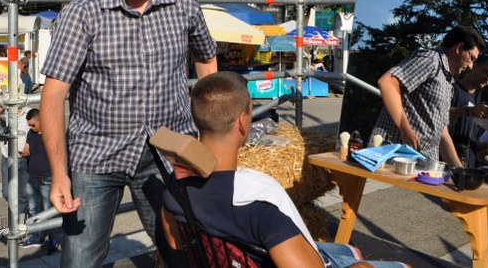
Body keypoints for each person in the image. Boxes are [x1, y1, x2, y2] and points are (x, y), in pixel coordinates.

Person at [40, 0, 218, 267]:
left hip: (170, 150)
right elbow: (53, 94)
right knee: (80, 260)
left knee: (184, 254)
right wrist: (60, 174)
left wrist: (209, 135)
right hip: (95, 154)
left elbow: (206, 58)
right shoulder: (83, 12)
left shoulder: (183, 2)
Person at [161, 71, 410, 268]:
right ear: (243, 121)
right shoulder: (259, 200)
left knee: (348, 250)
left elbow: (176, 244)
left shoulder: (176, 183)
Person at [370, 25, 486, 167]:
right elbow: (388, 82)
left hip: (422, 164)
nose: (471, 66)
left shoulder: (449, 82)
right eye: (471, 58)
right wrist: (405, 129)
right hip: (392, 154)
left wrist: (460, 171)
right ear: (459, 47)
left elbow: (442, 132)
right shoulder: (431, 60)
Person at [20, 109, 62, 254]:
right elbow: (27, 149)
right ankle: (37, 235)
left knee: (50, 211)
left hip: (48, 178)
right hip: (32, 176)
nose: (31, 128)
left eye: (33, 125)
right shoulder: (31, 133)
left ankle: (55, 237)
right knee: (33, 209)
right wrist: (25, 153)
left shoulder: (53, 133)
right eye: (29, 125)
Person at [448, 53, 488, 166]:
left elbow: (472, 139)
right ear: (474, 66)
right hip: (445, 159)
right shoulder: (451, 88)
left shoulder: (477, 99)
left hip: (467, 164)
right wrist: (469, 111)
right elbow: (437, 114)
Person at [0, 105, 32, 228]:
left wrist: (29, 146)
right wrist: (5, 102)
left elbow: (37, 130)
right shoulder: (4, 113)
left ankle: (20, 223)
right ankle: (20, 212)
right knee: (6, 192)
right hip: (7, 158)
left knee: (23, 194)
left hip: (24, 159)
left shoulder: (29, 112)